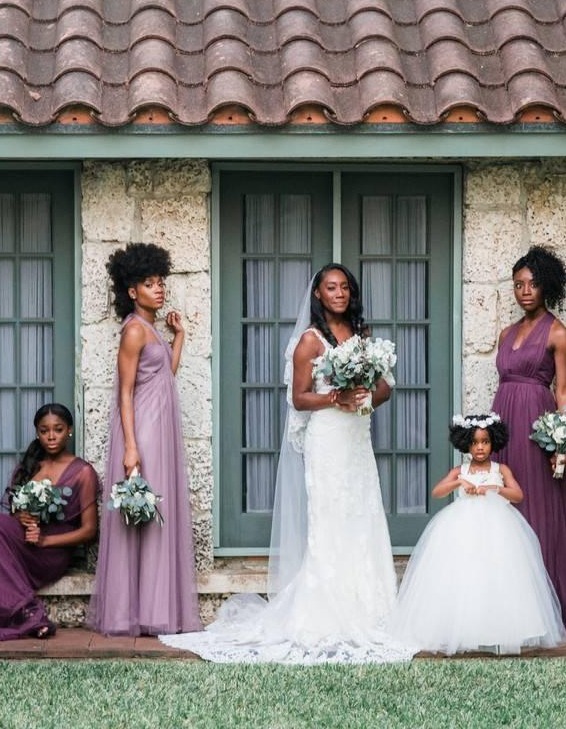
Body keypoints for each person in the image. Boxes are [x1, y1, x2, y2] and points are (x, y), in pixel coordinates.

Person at [162, 264, 416, 663]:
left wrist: (365, 395)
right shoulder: (309, 343)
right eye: (331, 287)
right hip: (327, 439)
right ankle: (328, 609)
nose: (339, 293)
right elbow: (299, 398)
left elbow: (383, 388)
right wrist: (337, 398)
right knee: (330, 518)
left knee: (362, 514)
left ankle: (371, 608)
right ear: (318, 294)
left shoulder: (363, 336)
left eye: (345, 287)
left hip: (356, 439)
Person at [87, 242, 201, 636]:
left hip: (161, 429)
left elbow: (166, 371)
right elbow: (125, 390)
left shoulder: (152, 328)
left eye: (160, 282)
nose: (159, 289)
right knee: (144, 516)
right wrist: (131, 446)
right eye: (149, 284)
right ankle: (133, 611)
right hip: (145, 432)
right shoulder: (133, 331)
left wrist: (180, 336)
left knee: (158, 515)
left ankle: (156, 607)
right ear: (132, 291)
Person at [389, 413, 566, 655]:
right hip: (462, 526)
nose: (480, 447)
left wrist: (495, 487)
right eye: (474, 442)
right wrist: (459, 483)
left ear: (494, 441)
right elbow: (437, 492)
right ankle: (464, 630)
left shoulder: (500, 468)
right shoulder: (459, 470)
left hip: (499, 528)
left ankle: (498, 630)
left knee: (498, 575)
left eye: (484, 441)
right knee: (465, 574)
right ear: (466, 444)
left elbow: (518, 495)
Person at [0, 403, 98, 640]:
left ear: (69, 431)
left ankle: (26, 613)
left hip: (50, 552)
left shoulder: (83, 472)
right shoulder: (32, 465)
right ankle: (9, 611)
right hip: (22, 544)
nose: (51, 436)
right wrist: (19, 517)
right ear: (37, 433)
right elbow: (14, 514)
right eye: (44, 431)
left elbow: (89, 531)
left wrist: (45, 540)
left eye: (58, 429)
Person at [490, 245, 566, 635]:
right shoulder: (505, 333)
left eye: (532, 283)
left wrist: (563, 443)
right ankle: (504, 607)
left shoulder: (558, 333)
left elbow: (564, 392)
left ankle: (540, 610)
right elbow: (503, 383)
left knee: (536, 512)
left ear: (546, 286)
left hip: (536, 429)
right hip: (503, 425)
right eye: (518, 285)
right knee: (501, 512)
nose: (525, 291)